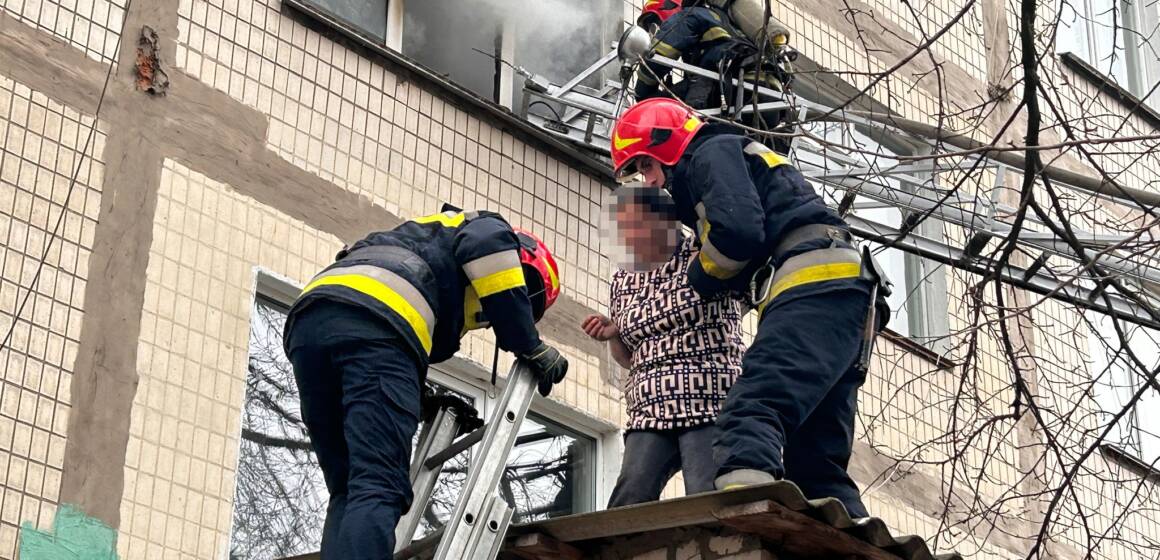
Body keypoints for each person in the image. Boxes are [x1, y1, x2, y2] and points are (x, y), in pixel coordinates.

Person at [608, 98, 891, 519]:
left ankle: (747, 524)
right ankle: (853, 539)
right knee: (815, 461)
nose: (645, 185)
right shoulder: (734, 160)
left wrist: (700, 279)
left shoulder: (710, 152)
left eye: (644, 168)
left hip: (813, 287)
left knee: (749, 411)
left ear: (666, 147)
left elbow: (738, 232)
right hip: (852, 296)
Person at [283, 208, 570, 559]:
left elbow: (380, 362)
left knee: (348, 488)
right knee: (378, 486)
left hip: (310, 326)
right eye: (521, 298)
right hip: (378, 322)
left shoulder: (423, 247)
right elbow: (485, 246)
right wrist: (529, 343)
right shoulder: (490, 229)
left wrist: (419, 400)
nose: (490, 318)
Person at [582, 186, 747, 507]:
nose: (630, 234)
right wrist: (613, 334)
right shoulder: (623, 280)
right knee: (630, 495)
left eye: (636, 224)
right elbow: (629, 359)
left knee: (706, 497)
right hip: (650, 408)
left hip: (708, 400)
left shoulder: (703, 253)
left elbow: (704, 297)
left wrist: (626, 324)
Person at [633, 1, 795, 150]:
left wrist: (642, 94)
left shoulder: (690, 15)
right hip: (770, 103)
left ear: (668, 6)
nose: (654, 31)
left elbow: (660, 54)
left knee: (664, 107)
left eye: (652, 24)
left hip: (734, 91)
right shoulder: (726, 23)